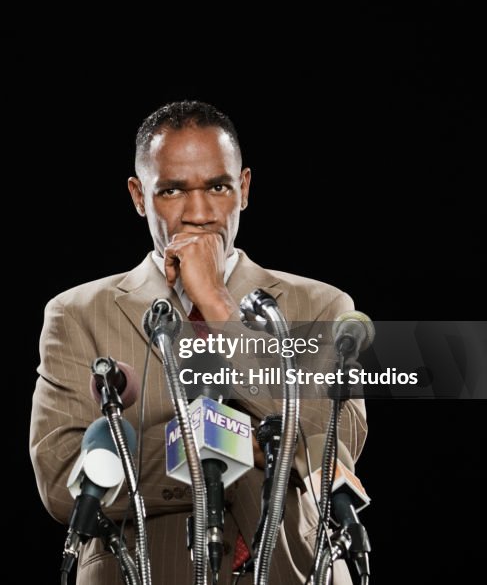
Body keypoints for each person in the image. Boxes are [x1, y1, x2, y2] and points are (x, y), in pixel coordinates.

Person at [29, 100, 367, 585]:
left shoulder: (322, 306)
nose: (199, 214)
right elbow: (66, 483)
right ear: (138, 196)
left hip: (293, 569)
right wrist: (241, 444)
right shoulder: (77, 314)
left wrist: (217, 303)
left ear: (244, 188)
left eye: (218, 186)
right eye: (171, 191)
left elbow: (330, 443)